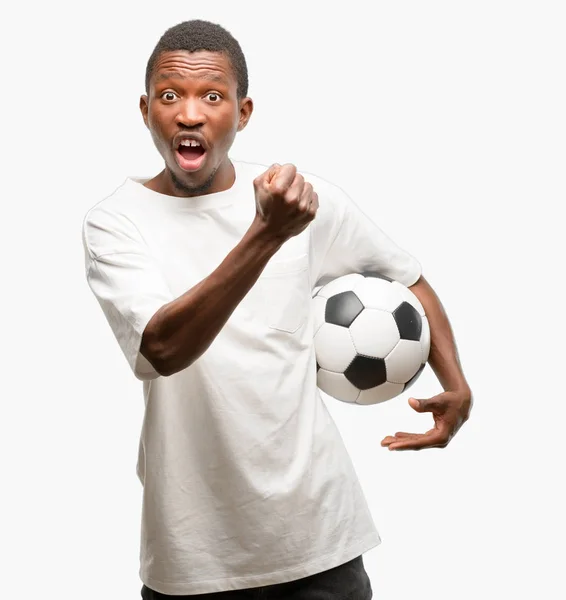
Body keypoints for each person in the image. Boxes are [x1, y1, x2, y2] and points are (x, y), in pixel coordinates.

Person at [81, 19, 472, 599]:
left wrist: (456, 384)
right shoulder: (115, 221)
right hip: (194, 556)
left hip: (321, 541)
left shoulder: (299, 197)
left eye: (213, 96)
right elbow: (161, 349)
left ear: (242, 112)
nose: (190, 115)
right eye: (170, 96)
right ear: (145, 110)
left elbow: (407, 278)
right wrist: (266, 234)